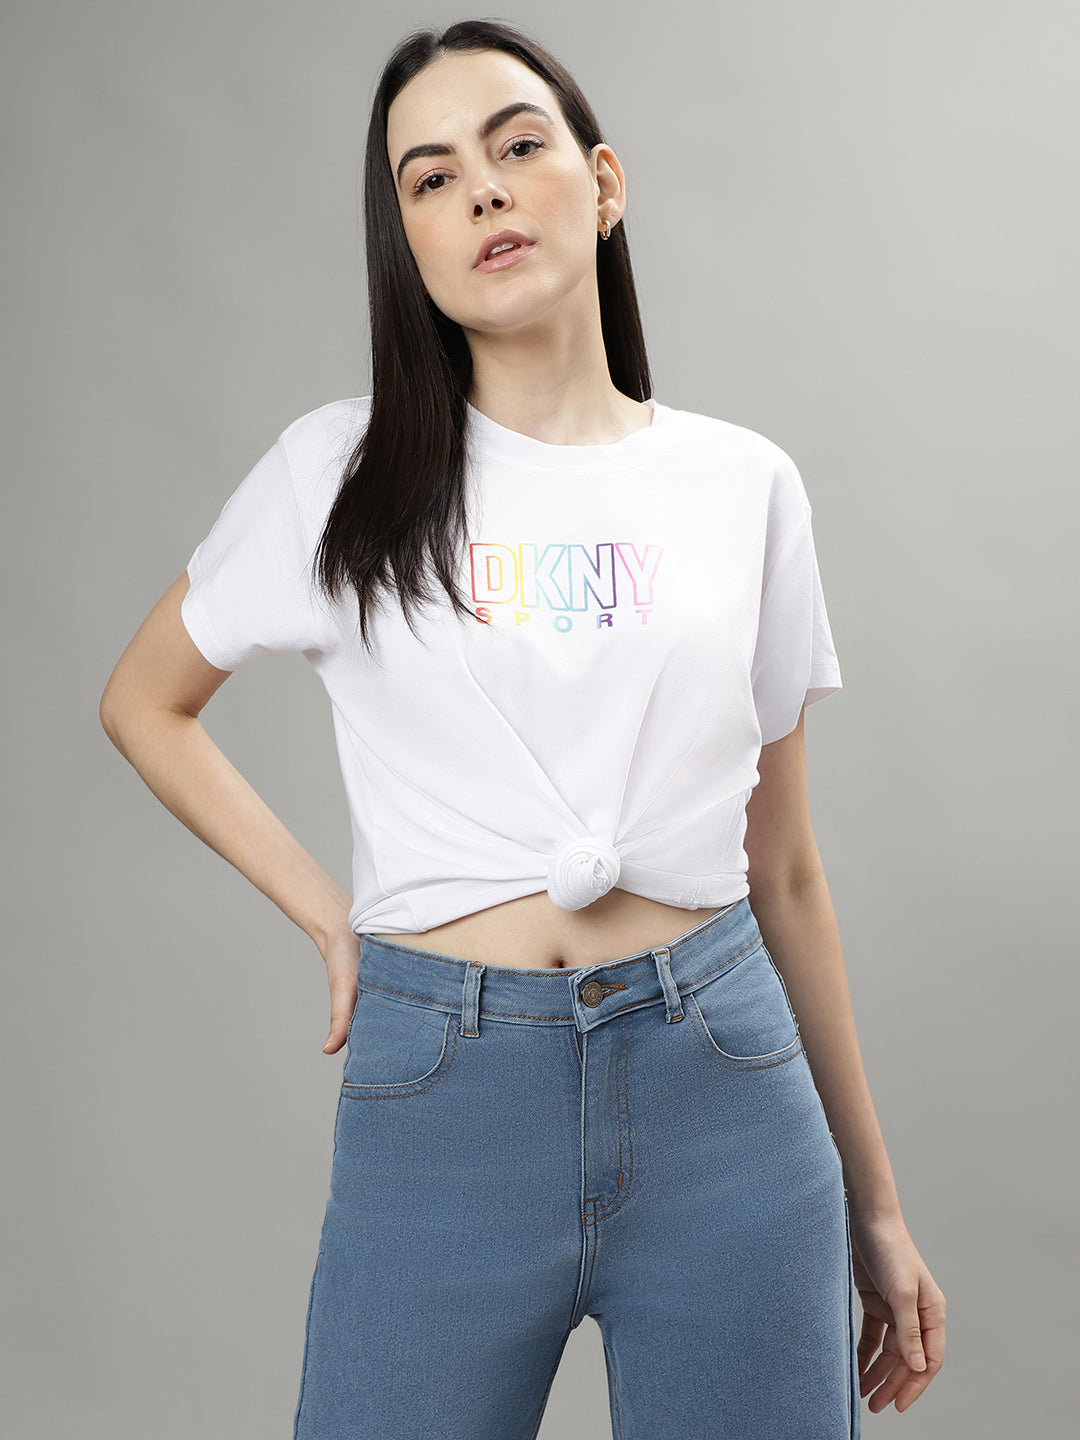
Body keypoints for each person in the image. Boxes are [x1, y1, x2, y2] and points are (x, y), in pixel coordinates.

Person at [99, 18, 946, 1439]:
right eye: (430, 179)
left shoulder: (742, 485)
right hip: (444, 1090)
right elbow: (144, 701)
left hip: (722, 1086)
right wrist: (331, 921)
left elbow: (787, 869)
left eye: (516, 145)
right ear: (411, 246)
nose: (481, 189)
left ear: (601, 184)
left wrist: (879, 1205)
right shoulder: (337, 473)